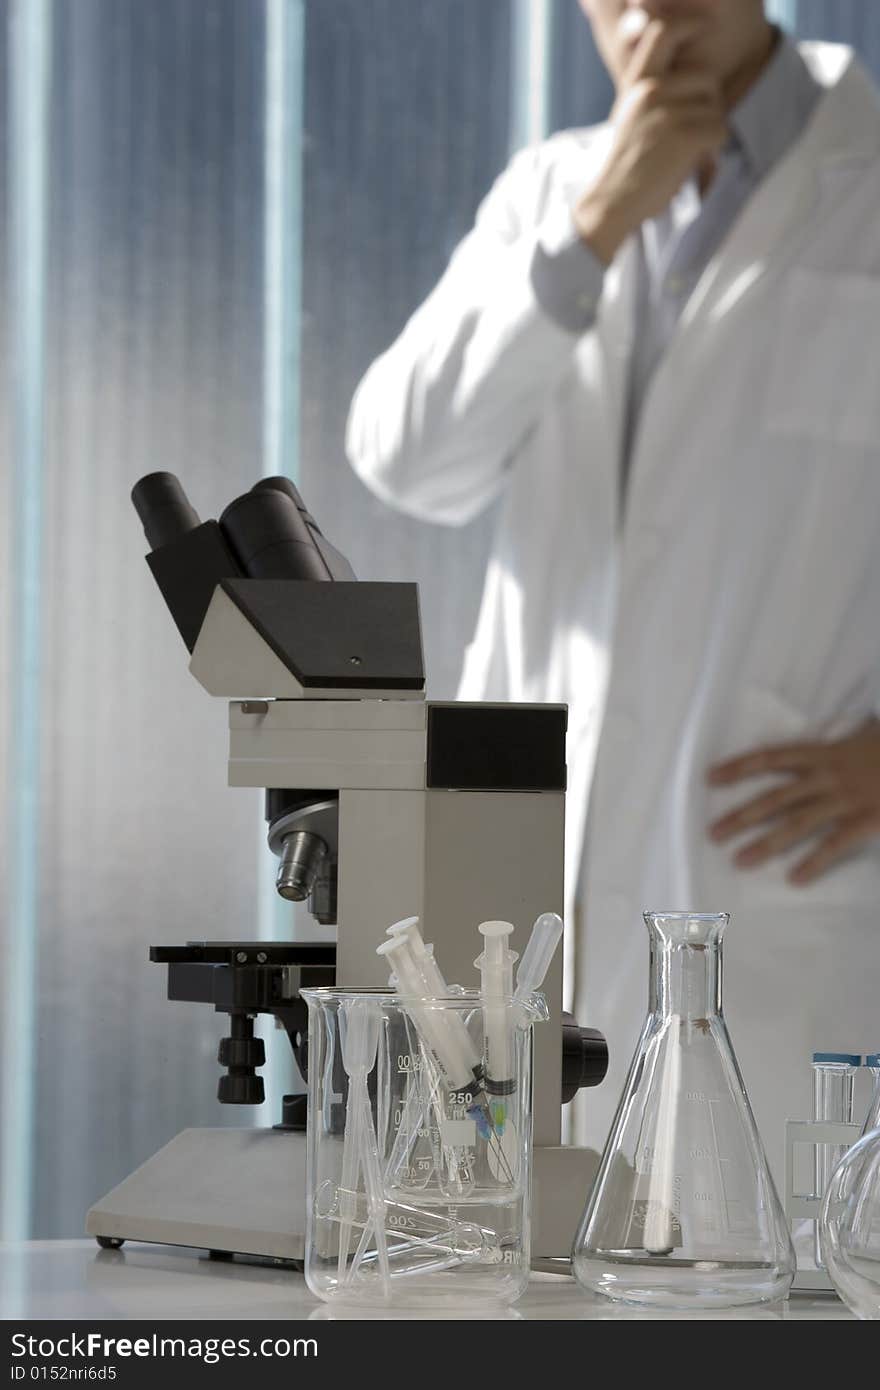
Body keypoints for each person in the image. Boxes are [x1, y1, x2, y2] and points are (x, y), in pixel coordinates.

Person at [345, 0, 880, 1181]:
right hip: (524, 882)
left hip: (773, 907)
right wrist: (589, 232)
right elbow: (406, 457)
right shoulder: (551, 194)